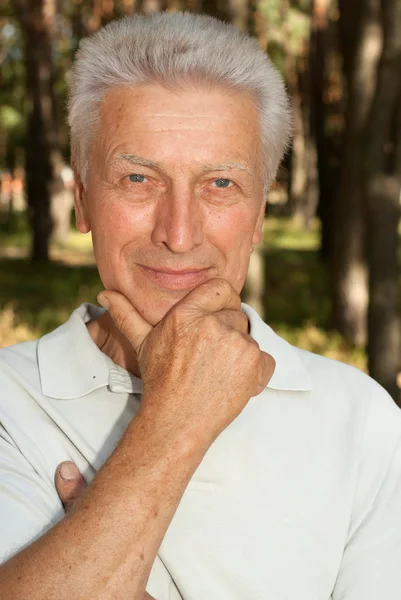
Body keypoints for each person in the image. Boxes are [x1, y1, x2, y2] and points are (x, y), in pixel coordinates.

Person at [0, 12, 401, 600]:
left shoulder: (364, 421)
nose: (180, 233)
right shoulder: (8, 402)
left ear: (261, 212)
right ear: (83, 202)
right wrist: (174, 422)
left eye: (220, 184)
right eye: (138, 178)